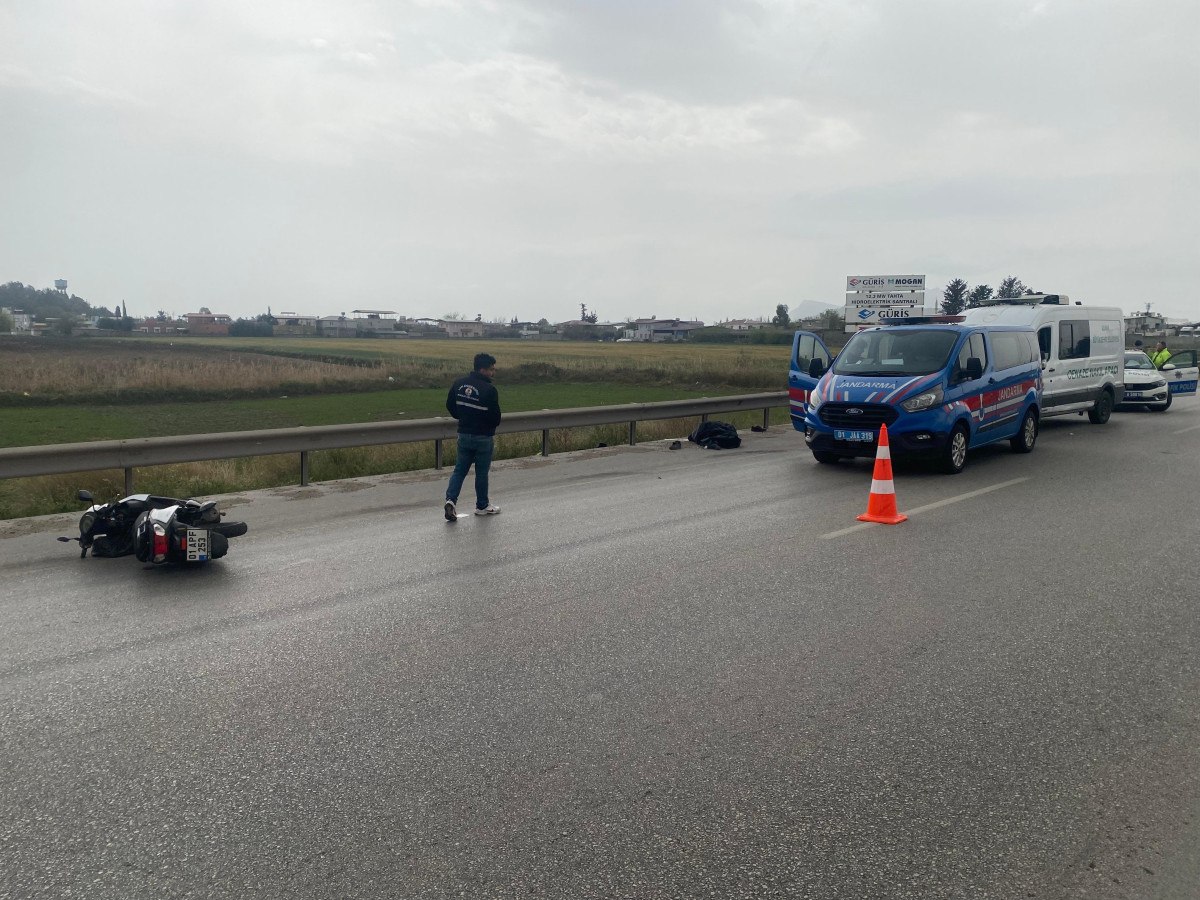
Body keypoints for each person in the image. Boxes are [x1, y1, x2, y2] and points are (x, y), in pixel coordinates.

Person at [443, 353, 502, 520]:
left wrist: (462, 417)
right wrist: (487, 426)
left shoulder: (458, 384)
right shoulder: (489, 390)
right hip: (483, 437)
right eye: (491, 369)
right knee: (481, 473)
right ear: (482, 370)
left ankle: (450, 500)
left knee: (459, 470)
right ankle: (482, 506)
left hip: (463, 434)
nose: (493, 373)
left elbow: (450, 405)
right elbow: (496, 418)